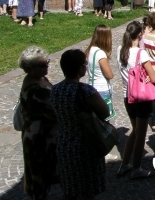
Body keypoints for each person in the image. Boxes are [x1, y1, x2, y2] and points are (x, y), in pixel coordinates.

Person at [51, 49, 110, 199]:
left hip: (64, 143)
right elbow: (105, 113)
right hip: (85, 145)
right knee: (86, 190)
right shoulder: (86, 91)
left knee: (69, 189)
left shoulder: (55, 90)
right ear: (79, 69)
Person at [116, 21, 155, 178]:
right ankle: (137, 169)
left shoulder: (121, 50)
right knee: (141, 134)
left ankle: (124, 164)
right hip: (140, 97)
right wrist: (147, 78)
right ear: (140, 34)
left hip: (128, 96)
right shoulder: (141, 53)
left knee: (135, 130)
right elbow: (153, 78)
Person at [18, 46, 58, 199]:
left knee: (45, 175)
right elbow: (53, 112)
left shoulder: (40, 78)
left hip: (43, 135)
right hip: (38, 139)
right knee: (39, 179)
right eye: (42, 65)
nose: (46, 67)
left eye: (47, 63)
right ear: (30, 68)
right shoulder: (35, 88)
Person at [85, 24, 114, 109]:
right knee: (104, 119)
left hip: (92, 86)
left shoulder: (89, 50)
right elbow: (109, 75)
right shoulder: (100, 54)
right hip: (102, 89)